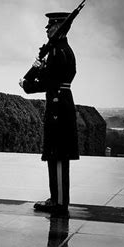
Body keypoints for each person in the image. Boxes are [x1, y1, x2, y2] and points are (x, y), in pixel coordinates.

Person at [19, 12, 79, 215]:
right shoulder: (57, 50)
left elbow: (50, 81)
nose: (47, 30)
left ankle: (60, 202)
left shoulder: (59, 52)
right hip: (58, 104)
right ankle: (56, 198)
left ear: (60, 28)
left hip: (59, 105)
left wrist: (28, 84)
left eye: (51, 26)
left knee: (59, 155)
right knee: (54, 153)